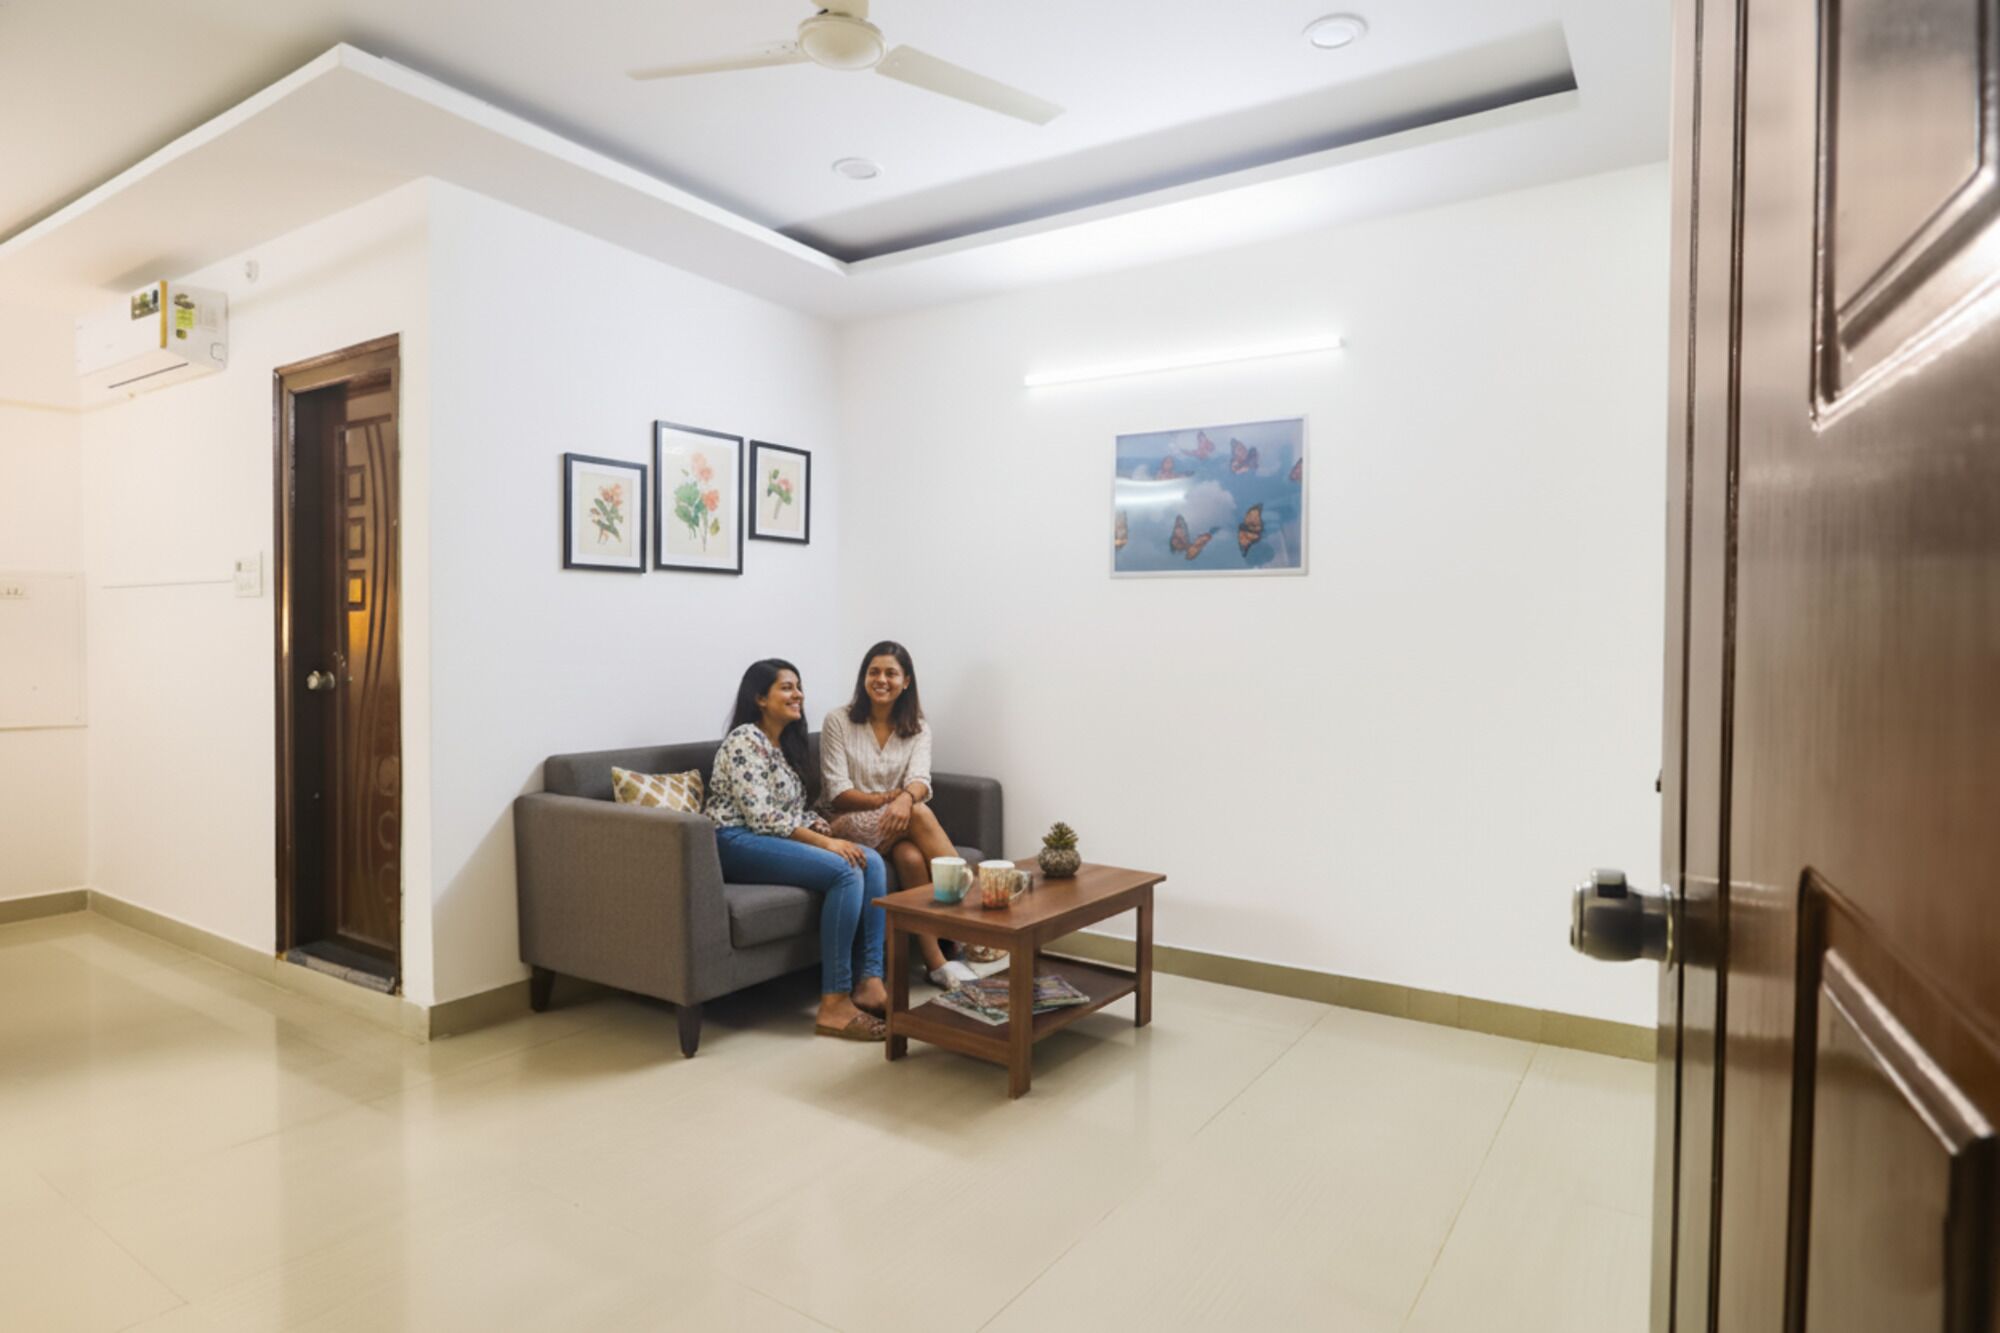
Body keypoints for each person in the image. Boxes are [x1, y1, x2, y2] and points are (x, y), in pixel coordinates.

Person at [707, 658, 889, 1041]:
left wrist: (822, 825)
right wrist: (827, 843)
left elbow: (794, 809)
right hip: (733, 841)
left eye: (798, 686)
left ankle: (869, 981)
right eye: (786, 687)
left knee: (870, 861)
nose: (798, 694)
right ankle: (834, 1003)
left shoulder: (784, 746)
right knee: (844, 869)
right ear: (759, 698)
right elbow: (761, 816)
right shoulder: (745, 740)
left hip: (767, 838)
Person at [820, 640, 994, 989]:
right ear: (863, 677)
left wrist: (903, 801)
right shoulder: (838, 720)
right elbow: (837, 791)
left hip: (894, 827)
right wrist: (895, 800)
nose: (881, 679)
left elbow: (920, 779)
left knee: (911, 857)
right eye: (874, 672)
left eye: (891, 673)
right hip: (842, 824)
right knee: (919, 814)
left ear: (906, 681)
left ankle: (935, 962)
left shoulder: (917, 726)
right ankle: (976, 919)